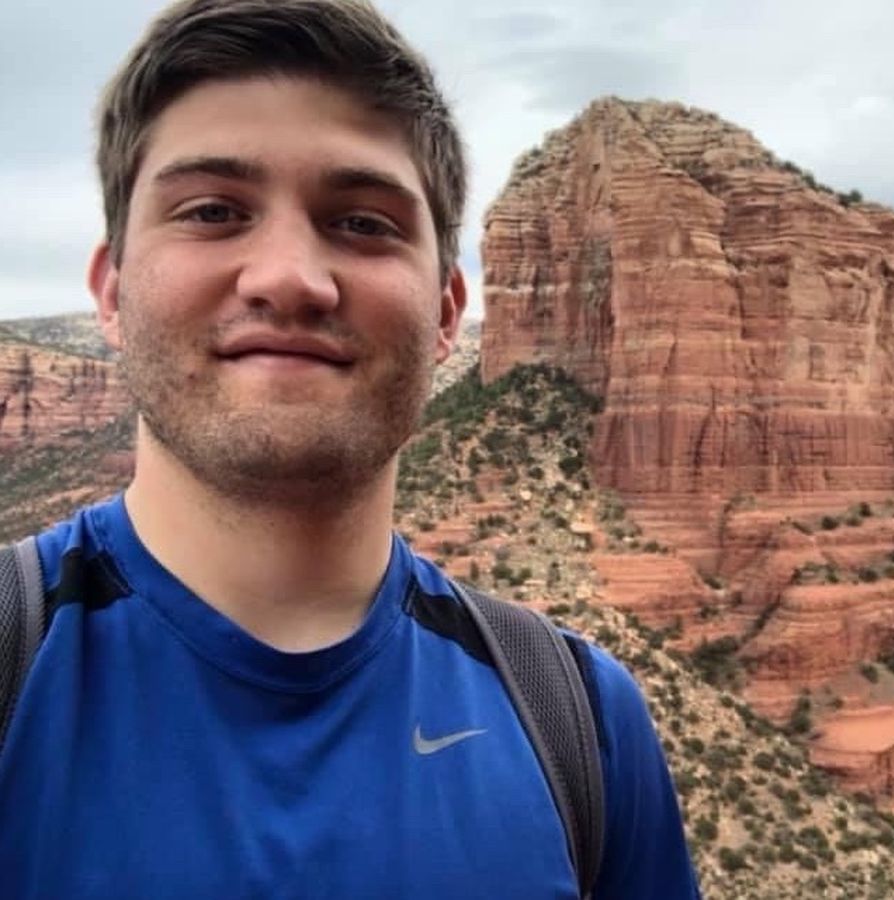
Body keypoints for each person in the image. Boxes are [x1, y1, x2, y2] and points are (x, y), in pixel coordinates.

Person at [0, 1, 700, 897]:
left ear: (448, 312)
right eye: (213, 210)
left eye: (364, 222)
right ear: (112, 290)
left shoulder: (583, 722)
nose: (290, 276)